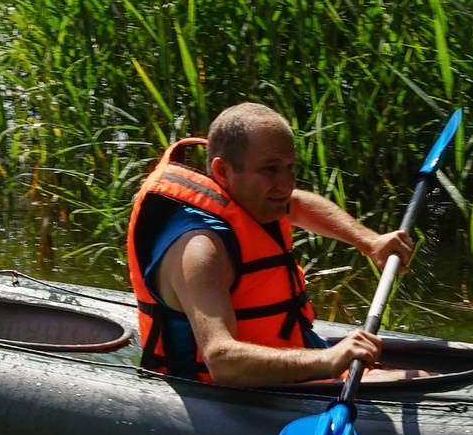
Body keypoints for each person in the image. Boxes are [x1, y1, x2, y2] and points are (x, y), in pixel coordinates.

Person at [124, 102, 416, 387]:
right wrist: (328, 359)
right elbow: (221, 361)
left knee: (414, 377)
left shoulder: (256, 201)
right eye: (270, 169)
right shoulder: (200, 249)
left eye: (290, 168)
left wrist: (369, 241)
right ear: (222, 171)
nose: (286, 184)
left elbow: (299, 205)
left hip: (288, 364)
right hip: (221, 391)